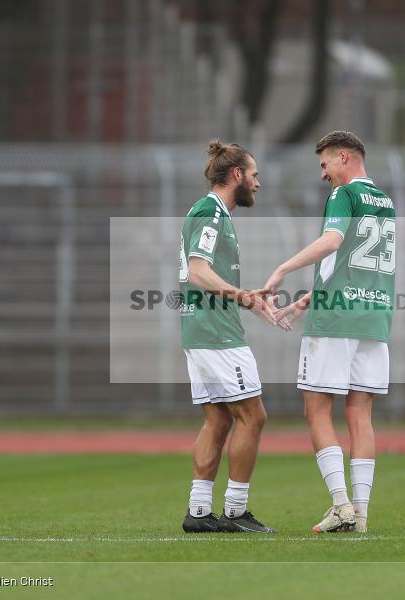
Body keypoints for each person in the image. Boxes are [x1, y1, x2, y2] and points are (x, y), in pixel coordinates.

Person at [266, 131, 395, 534]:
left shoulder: (345, 196)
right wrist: (307, 300)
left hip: (337, 321)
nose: (323, 174)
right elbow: (354, 266)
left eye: (324, 164)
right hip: (373, 318)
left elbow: (333, 241)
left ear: (344, 157)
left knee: (316, 408)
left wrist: (284, 269)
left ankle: (340, 505)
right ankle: (361, 515)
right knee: (360, 413)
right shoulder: (386, 201)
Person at [180, 139, 283, 534]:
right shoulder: (211, 212)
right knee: (253, 416)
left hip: (202, 329)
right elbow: (198, 271)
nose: (258, 182)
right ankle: (237, 512)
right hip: (215, 335)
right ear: (236, 174)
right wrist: (241, 295)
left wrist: (249, 300)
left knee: (219, 420)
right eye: (254, 174)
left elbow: (208, 278)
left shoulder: (214, 213)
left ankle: (199, 512)